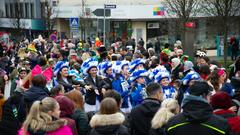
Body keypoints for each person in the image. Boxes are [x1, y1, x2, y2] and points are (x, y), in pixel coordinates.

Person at [165, 81, 231, 135]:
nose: (210, 99)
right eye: (209, 95)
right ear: (204, 96)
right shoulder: (221, 125)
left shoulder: (172, 124)